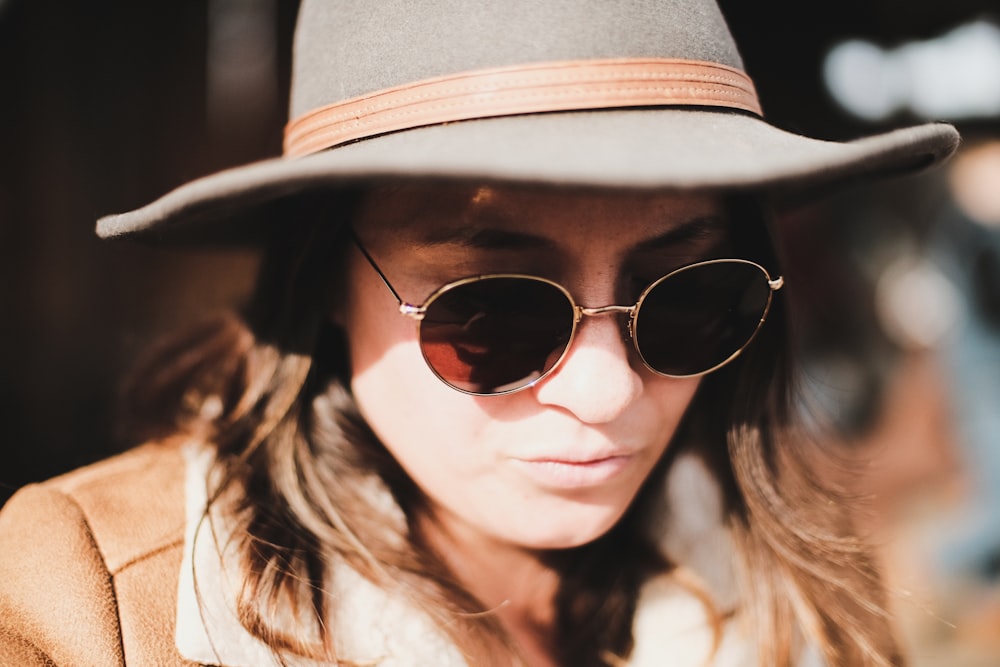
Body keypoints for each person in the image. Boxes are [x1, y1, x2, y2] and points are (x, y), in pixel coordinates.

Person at [0, 1, 959, 666]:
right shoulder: (88, 605)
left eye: (688, 299)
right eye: (493, 313)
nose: (608, 391)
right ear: (325, 278)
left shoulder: (805, 582)